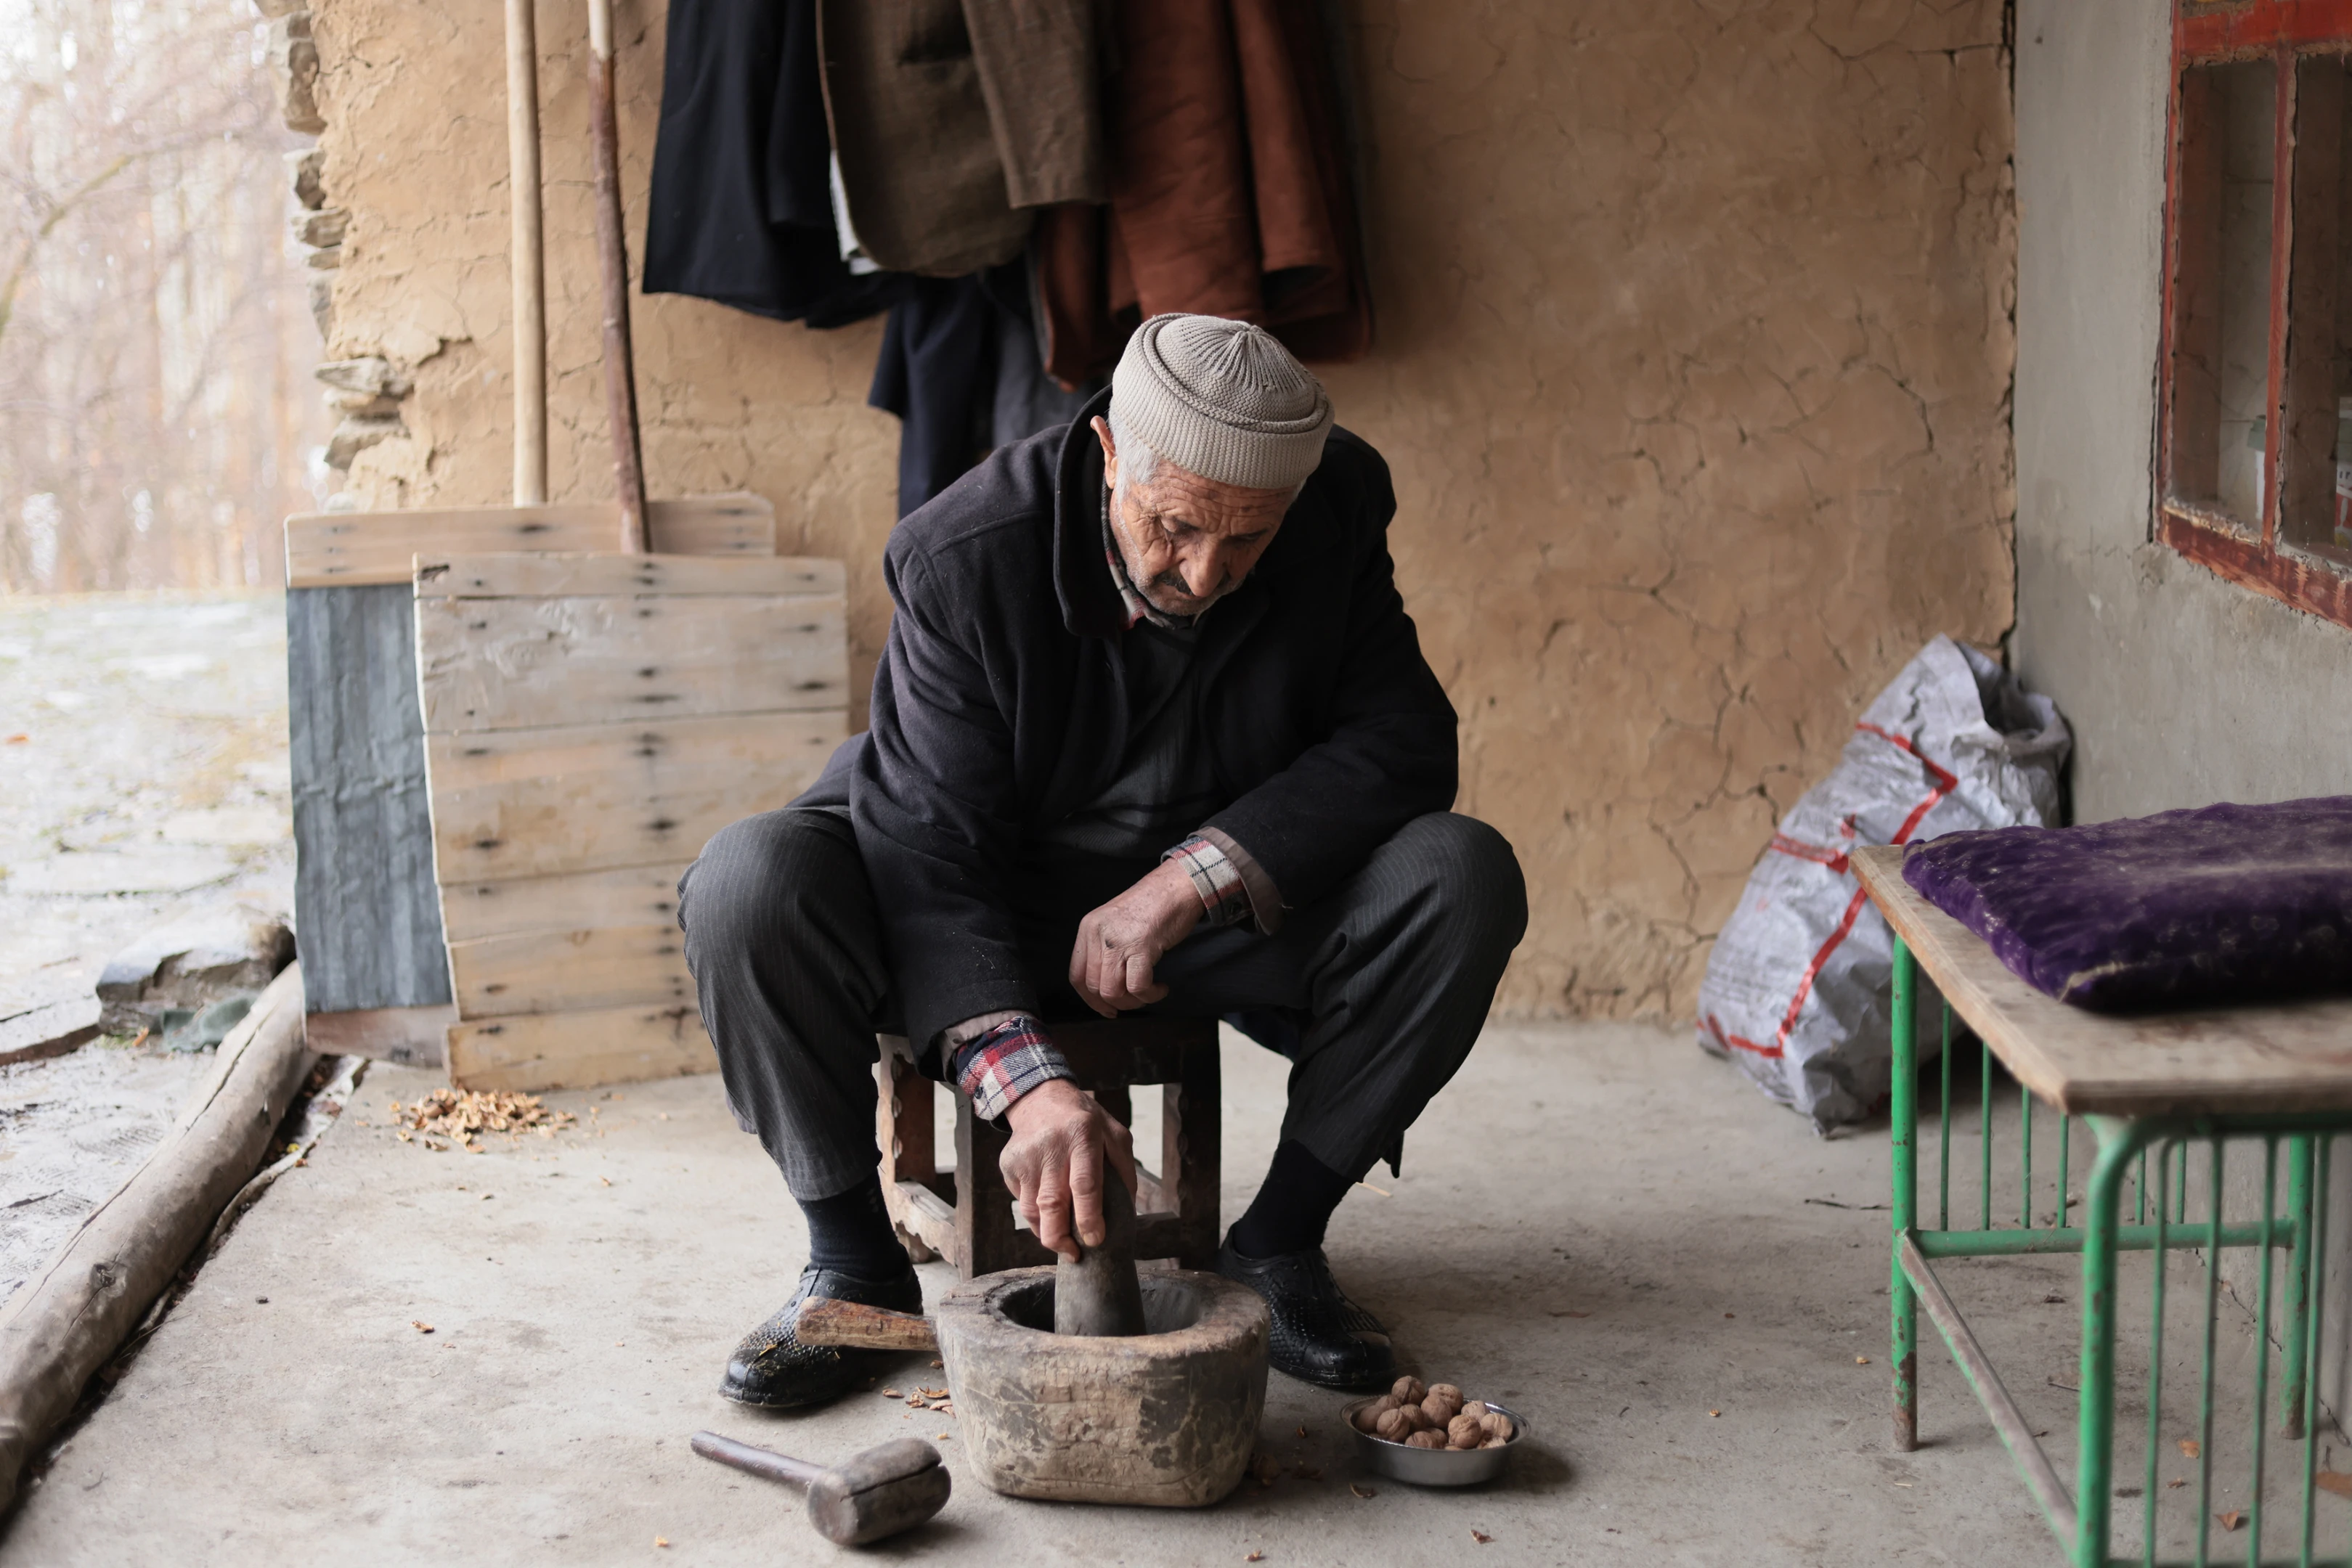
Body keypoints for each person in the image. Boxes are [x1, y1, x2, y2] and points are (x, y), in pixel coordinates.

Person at [677, 312, 1526, 1407]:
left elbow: (1401, 743)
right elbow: (929, 855)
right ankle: (855, 1271)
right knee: (749, 882)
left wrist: (1186, 884)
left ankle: (1276, 1249)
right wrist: (1030, 1092)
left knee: (1459, 876)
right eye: (1173, 526)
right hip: (971, 885)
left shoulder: (1335, 502)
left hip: (1197, 914)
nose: (1206, 571)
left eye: (1246, 540)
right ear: (1108, 450)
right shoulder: (962, 552)